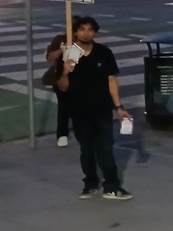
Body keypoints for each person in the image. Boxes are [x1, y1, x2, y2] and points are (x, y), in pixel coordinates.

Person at [55, 16, 133, 200]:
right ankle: (90, 184)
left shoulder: (104, 53)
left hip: (102, 110)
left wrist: (119, 107)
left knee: (106, 149)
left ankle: (112, 186)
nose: (86, 33)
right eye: (82, 29)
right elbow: (63, 87)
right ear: (75, 32)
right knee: (87, 150)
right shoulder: (67, 54)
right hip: (80, 112)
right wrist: (66, 71)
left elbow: (111, 80)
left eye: (90, 29)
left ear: (95, 33)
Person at [44, 22, 78, 148]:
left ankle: (81, 129)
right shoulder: (60, 40)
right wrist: (62, 49)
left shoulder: (84, 42)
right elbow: (49, 57)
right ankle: (62, 134)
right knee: (63, 107)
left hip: (79, 79)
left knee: (79, 106)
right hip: (61, 77)